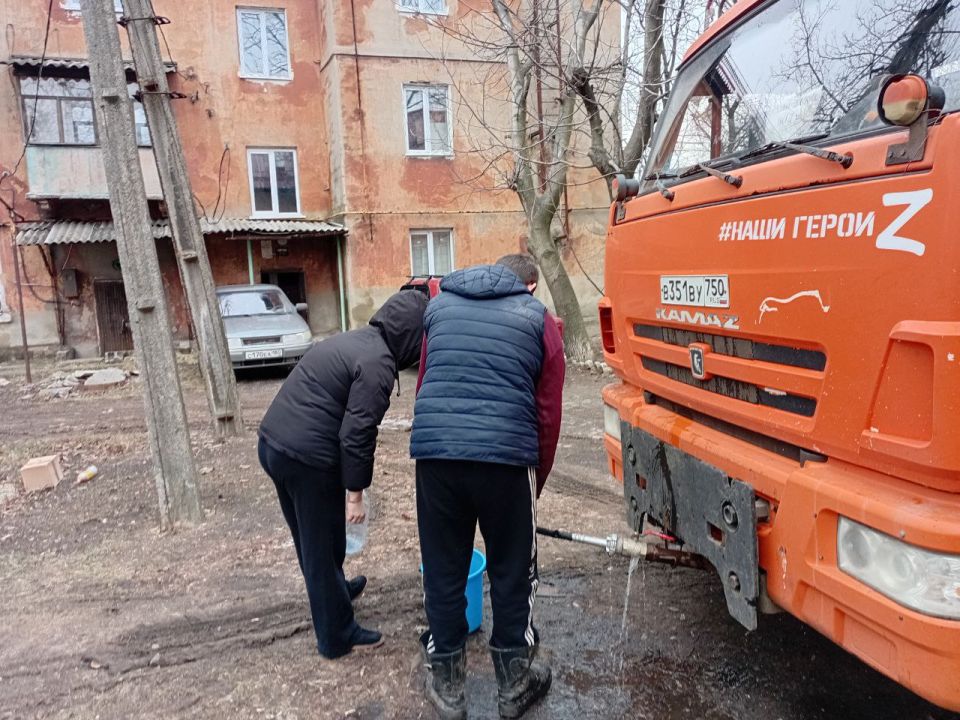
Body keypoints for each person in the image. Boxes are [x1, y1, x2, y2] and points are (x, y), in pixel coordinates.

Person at [411, 254, 565, 719]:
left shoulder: (438, 308)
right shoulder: (539, 318)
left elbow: (424, 382)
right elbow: (547, 413)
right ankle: (513, 685)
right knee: (513, 569)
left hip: (437, 456)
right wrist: (535, 482)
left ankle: (448, 686)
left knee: (443, 568)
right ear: (530, 285)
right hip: (507, 460)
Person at [258, 289, 427, 659]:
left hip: (273, 444)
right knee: (319, 546)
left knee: (316, 537)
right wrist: (355, 494)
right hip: (305, 458)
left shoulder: (357, 340)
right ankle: (336, 635)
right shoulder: (378, 364)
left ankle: (334, 593)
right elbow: (357, 434)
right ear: (412, 338)